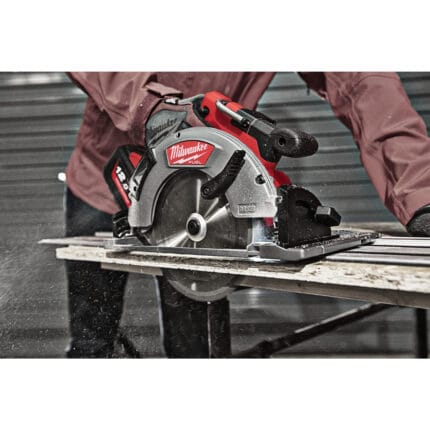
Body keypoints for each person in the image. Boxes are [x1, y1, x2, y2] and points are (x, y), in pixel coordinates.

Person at [65, 72, 430, 358]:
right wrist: (148, 106)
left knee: (195, 351)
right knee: (92, 341)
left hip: (207, 198)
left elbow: (363, 81)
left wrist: (420, 192)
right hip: (105, 175)